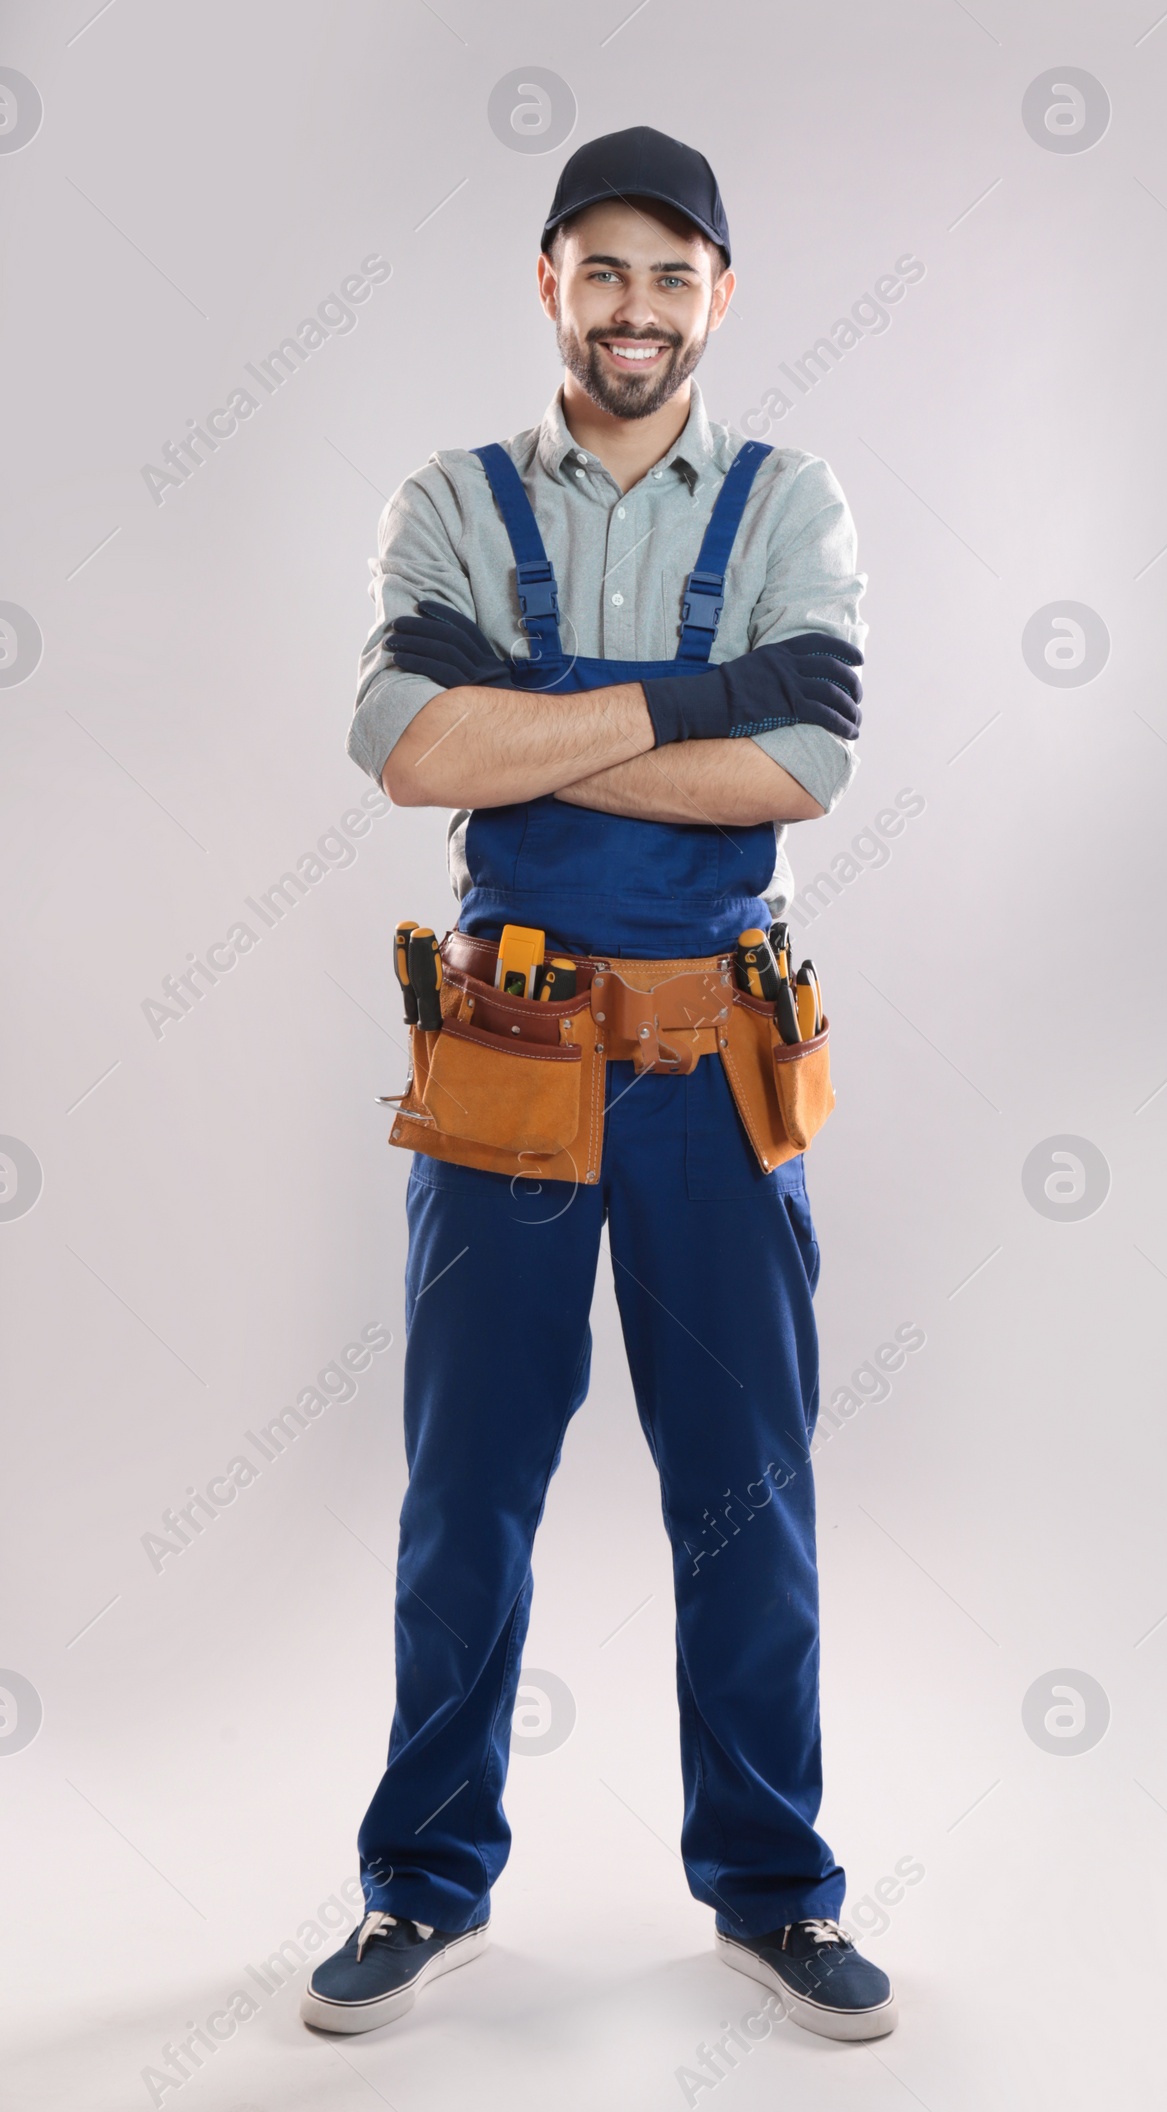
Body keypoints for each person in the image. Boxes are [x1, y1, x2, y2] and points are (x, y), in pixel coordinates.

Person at [301, 127, 893, 2044]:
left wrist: (539, 735)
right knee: (467, 1488)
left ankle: (778, 1893)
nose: (635, 309)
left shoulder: (795, 499)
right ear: (548, 283)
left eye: (672, 274)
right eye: (601, 270)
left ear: (718, 296)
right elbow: (406, 743)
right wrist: (694, 699)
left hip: (720, 1063)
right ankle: (422, 1886)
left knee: (750, 1490)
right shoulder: (451, 499)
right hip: (510, 1058)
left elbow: (808, 768)